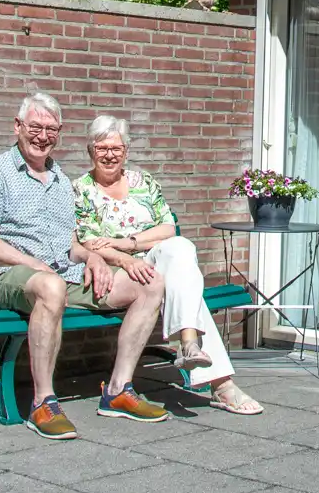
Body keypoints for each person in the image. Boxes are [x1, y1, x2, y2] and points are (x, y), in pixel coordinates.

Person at [0, 93, 170, 438]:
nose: (42, 136)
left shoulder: (60, 179)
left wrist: (92, 257)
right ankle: (43, 403)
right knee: (50, 285)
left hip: (60, 276)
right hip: (5, 277)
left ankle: (118, 390)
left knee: (150, 283)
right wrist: (37, 266)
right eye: (35, 127)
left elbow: (69, 244)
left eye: (51, 129)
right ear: (18, 127)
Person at [72, 115, 263, 415]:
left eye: (117, 148)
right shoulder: (80, 190)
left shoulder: (143, 183)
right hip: (119, 273)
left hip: (149, 259)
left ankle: (191, 345)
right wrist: (124, 255)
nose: (110, 155)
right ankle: (217, 379)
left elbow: (168, 230)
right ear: (90, 150)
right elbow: (90, 243)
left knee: (181, 247)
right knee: (185, 286)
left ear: (126, 151)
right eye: (102, 148)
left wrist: (128, 242)